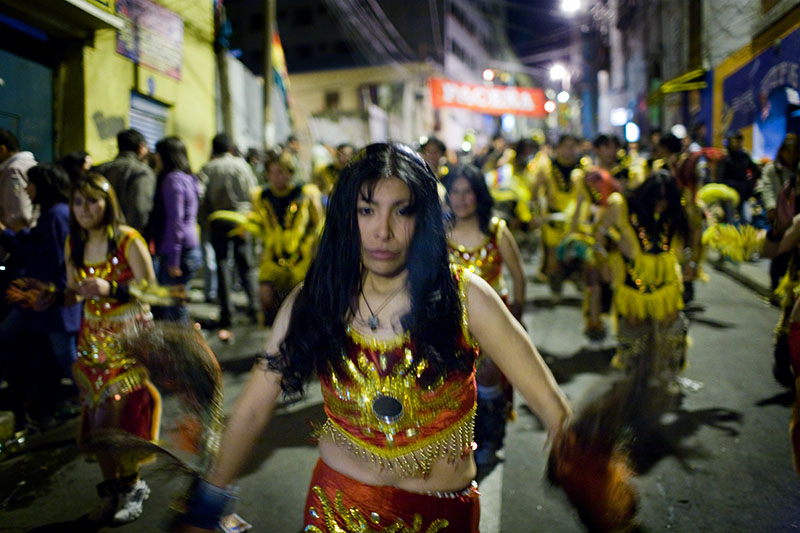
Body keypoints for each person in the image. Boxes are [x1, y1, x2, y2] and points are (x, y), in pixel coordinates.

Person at [174, 143, 570, 532]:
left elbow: (553, 409)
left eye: (402, 211)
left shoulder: (466, 297)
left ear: (424, 219)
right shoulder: (317, 298)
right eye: (367, 210)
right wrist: (207, 505)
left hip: (441, 517)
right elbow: (253, 410)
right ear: (347, 216)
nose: (382, 231)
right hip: (336, 512)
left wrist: (587, 476)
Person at [66, 173, 160, 524]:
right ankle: (112, 487)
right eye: (78, 201)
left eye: (92, 200)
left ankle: (131, 484)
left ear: (108, 203)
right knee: (95, 416)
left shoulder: (127, 239)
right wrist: (43, 296)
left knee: (116, 415)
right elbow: (72, 290)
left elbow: (150, 290)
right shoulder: (73, 243)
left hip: (127, 335)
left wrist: (111, 288)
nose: (85, 209)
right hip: (90, 338)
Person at [445, 163, 526, 466]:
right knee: (457, 383)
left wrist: (513, 321)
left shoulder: (497, 230)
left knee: (490, 381)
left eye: (468, 192)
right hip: (452, 323)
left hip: (494, 322)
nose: (461, 199)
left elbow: (518, 277)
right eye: (455, 192)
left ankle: (491, 439)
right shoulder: (441, 232)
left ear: (479, 195)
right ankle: (464, 439)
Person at [0, 164, 81, 427]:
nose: (26, 188)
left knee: (65, 356)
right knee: (56, 354)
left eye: (31, 184)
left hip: (51, 301)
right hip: (45, 301)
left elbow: (55, 260)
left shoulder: (56, 216)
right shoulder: (55, 214)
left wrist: (13, 234)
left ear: (43, 187)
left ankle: (94, 400)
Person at [594, 170, 690, 379]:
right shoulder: (622, 206)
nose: (660, 205)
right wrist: (604, 262)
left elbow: (686, 242)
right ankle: (633, 372)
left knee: (671, 322)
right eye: (657, 200)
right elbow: (600, 231)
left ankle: (670, 365)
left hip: (665, 280)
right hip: (632, 279)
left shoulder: (675, 213)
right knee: (634, 324)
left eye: (666, 200)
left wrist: (689, 262)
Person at [251, 149, 321, 325]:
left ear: (290, 173)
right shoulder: (262, 197)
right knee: (266, 298)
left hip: (300, 258)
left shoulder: (305, 193)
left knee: (301, 307)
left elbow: (318, 223)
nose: (277, 177)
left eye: (282, 172)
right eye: (273, 173)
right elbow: (259, 224)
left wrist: (313, 249)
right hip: (273, 257)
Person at [199, 134, 259, 329]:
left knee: (223, 264)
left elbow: (200, 195)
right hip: (241, 221)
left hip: (218, 221)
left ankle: (228, 313)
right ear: (231, 148)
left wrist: (204, 219)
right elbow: (254, 192)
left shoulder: (208, 168)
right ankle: (255, 307)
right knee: (246, 264)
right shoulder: (242, 166)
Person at [150, 137, 201, 322]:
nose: (154, 157)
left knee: (174, 309)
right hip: (191, 247)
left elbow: (175, 221)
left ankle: (183, 349)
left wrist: (173, 260)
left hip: (179, 251)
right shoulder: (189, 178)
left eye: (157, 153)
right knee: (177, 304)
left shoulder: (172, 180)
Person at [757, 133, 799, 291]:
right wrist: (771, 207)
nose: (791, 155)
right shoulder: (772, 169)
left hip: (797, 215)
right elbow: (766, 188)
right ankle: (775, 283)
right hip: (779, 216)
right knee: (780, 250)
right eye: (788, 151)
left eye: (795, 151)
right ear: (782, 151)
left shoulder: (797, 170)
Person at [96, 129, 157, 233]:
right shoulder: (143, 172)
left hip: (101, 234)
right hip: (128, 238)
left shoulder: (100, 169)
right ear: (141, 148)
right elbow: (140, 209)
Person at [715, 130, 761, 224]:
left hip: (743, 195)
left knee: (747, 220)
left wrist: (749, 184)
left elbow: (757, 171)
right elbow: (719, 179)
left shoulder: (744, 156)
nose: (736, 144)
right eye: (734, 141)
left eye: (738, 141)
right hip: (729, 196)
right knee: (730, 222)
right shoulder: (724, 158)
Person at [0, 128, 37, 230]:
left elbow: (18, 212)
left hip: (18, 238)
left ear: (2, 150)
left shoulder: (13, 172)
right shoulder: (26, 164)